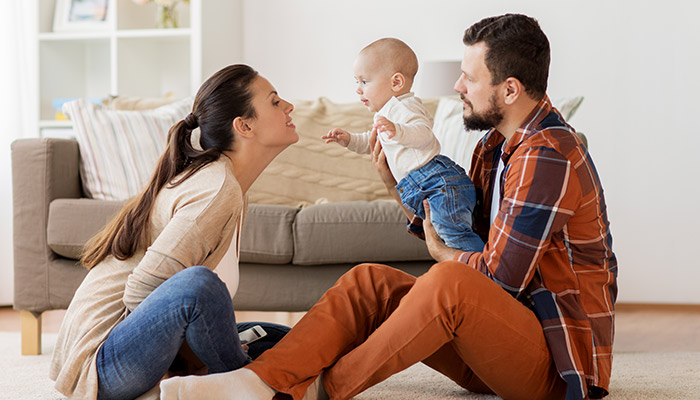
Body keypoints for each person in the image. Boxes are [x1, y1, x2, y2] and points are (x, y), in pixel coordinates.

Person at [160, 13, 618, 400]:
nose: (457, 85)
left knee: (450, 280)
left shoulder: (546, 155)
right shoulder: (494, 147)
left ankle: (312, 390)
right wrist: (390, 181)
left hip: (558, 368)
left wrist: (446, 260)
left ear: (511, 89)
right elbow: (457, 233)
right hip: (495, 341)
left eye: (470, 77)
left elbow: (500, 280)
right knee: (369, 281)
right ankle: (258, 381)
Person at [49, 64, 300, 400]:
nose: (289, 106)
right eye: (274, 102)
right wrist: (183, 360)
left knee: (283, 339)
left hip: (127, 349)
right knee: (200, 285)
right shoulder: (216, 188)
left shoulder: (229, 185)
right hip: (103, 365)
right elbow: (142, 292)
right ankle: (244, 385)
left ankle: (234, 374)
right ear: (244, 126)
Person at [322, 38, 483, 252]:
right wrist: (349, 140)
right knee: (446, 236)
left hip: (436, 182)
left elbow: (424, 134)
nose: (358, 90)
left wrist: (396, 130)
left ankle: (483, 272)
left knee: (455, 236)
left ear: (396, 83)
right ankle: (474, 271)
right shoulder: (386, 114)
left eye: (364, 82)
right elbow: (372, 142)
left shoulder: (404, 107)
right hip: (424, 186)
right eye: (357, 82)